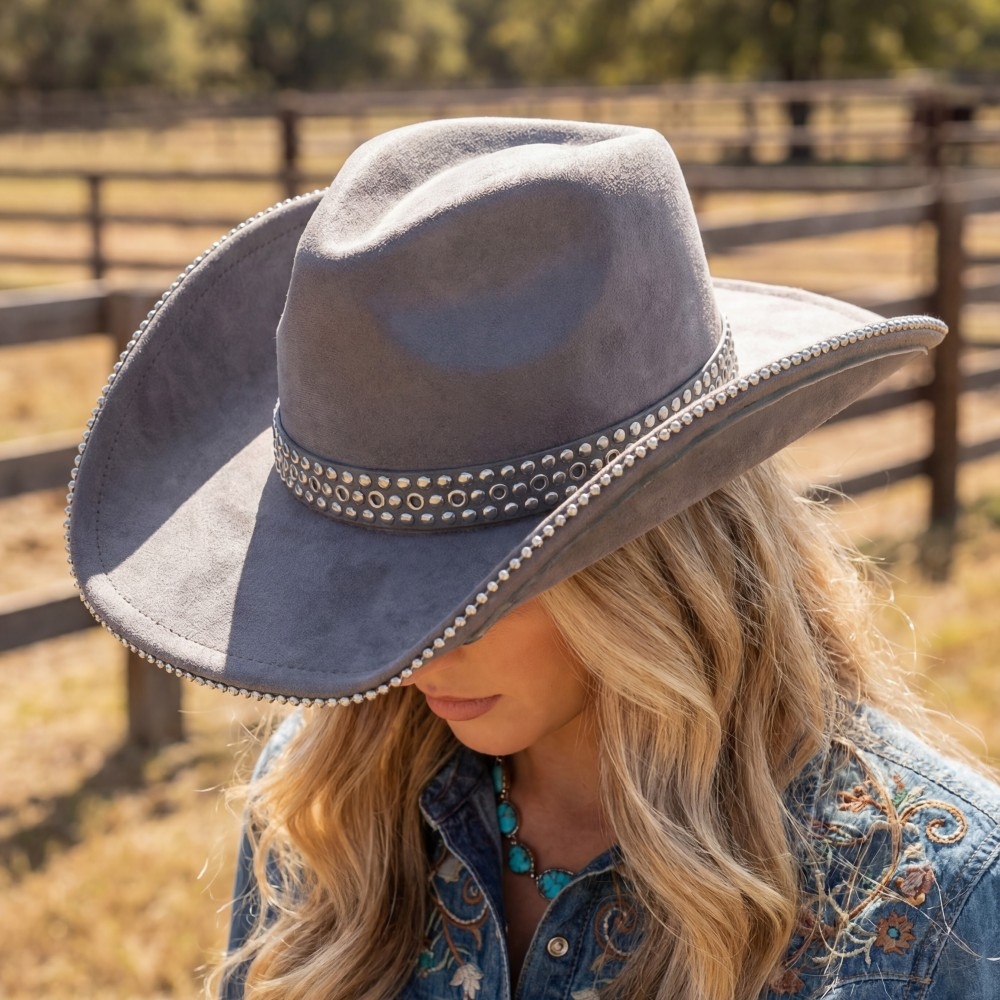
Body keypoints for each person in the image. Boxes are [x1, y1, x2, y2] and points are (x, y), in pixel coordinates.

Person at [66, 118, 999, 1000]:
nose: (410, 650)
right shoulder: (324, 802)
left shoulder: (927, 903)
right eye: (359, 572)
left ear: (649, 556)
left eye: (473, 588)